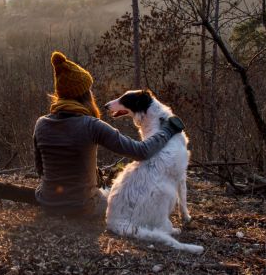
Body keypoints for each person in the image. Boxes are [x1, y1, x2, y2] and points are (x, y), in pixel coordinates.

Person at [33, 51, 185, 217]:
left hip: (47, 203)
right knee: (116, 200)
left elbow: (41, 170)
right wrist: (167, 130)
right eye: (89, 90)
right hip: (83, 207)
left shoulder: (41, 124)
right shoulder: (91, 125)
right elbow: (142, 152)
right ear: (84, 95)